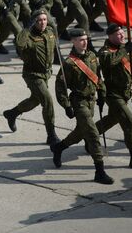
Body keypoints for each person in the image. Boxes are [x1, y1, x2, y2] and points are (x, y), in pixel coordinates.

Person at [52, 28, 113, 185]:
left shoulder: (92, 56)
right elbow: (60, 86)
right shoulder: (69, 63)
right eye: (80, 40)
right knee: (92, 133)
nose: (84, 42)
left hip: (92, 100)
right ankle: (99, 171)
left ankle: (59, 147)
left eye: (86, 39)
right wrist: (66, 105)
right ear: (73, 41)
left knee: (81, 132)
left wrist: (102, 93)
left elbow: (98, 77)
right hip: (79, 102)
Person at [95, 24, 132, 171]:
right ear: (110, 36)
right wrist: (125, 50)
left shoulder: (126, 49)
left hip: (125, 94)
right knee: (129, 122)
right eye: (118, 34)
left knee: (112, 119)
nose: (122, 36)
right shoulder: (104, 51)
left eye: (122, 33)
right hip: (112, 94)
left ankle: (90, 134)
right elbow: (110, 61)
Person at [6, 9, 60, 146]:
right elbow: (19, 44)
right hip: (32, 74)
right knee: (47, 101)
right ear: (34, 22)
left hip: (46, 74)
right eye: (39, 20)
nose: (42, 22)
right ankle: (51, 135)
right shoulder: (28, 35)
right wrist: (27, 28)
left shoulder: (50, 31)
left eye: (44, 19)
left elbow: (55, 48)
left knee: (35, 100)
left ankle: (13, 113)